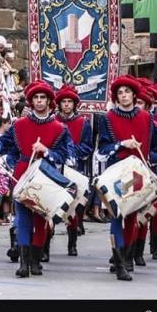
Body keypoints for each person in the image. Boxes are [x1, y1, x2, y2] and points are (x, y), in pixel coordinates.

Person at [0, 81, 72, 278]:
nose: (39, 101)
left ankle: (35, 260)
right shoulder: (19, 125)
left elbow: (67, 156)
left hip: (46, 175)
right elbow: (3, 142)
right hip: (22, 172)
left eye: (43, 98)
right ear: (31, 101)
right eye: (36, 98)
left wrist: (47, 151)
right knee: (23, 218)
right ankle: (23, 263)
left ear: (49, 101)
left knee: (42, 219)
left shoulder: (59, 128)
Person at [97, 75, 157, 281]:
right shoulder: (107, 118)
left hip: (139, 173)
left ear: (134, 94)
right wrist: (122, 144)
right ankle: (119, 261)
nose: (124, 96)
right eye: (120, 93)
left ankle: (126, 257)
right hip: (118, 173)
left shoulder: (147, 118)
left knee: (132, 217)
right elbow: (102, 150)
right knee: (117, 215)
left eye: (127, 92)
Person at [54, 85, 93, 258]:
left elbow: (87, 146)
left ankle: (72, 243)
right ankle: (46, 244)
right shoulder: (52, 120)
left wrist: (72, 153)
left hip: (74, 167)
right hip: (55, 167)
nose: (67, 105)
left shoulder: (82, 123)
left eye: (70, 102)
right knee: (52, 205)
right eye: (64, 102)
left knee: (73, 207)